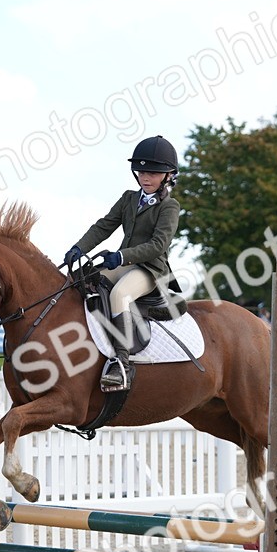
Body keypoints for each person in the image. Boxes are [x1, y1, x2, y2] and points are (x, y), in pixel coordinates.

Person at [65, 134, 182, 392]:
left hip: (150, 270)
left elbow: (158, 246)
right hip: (124, 263)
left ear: (168, 175)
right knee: (85, 282)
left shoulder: (169, 207)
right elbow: (104, 226)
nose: (145, 177)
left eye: (152, 173)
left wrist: (121, 256)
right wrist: (78, 248)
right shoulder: (129, 198)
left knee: (119, 294)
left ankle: (121, 363)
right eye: (141, 171)